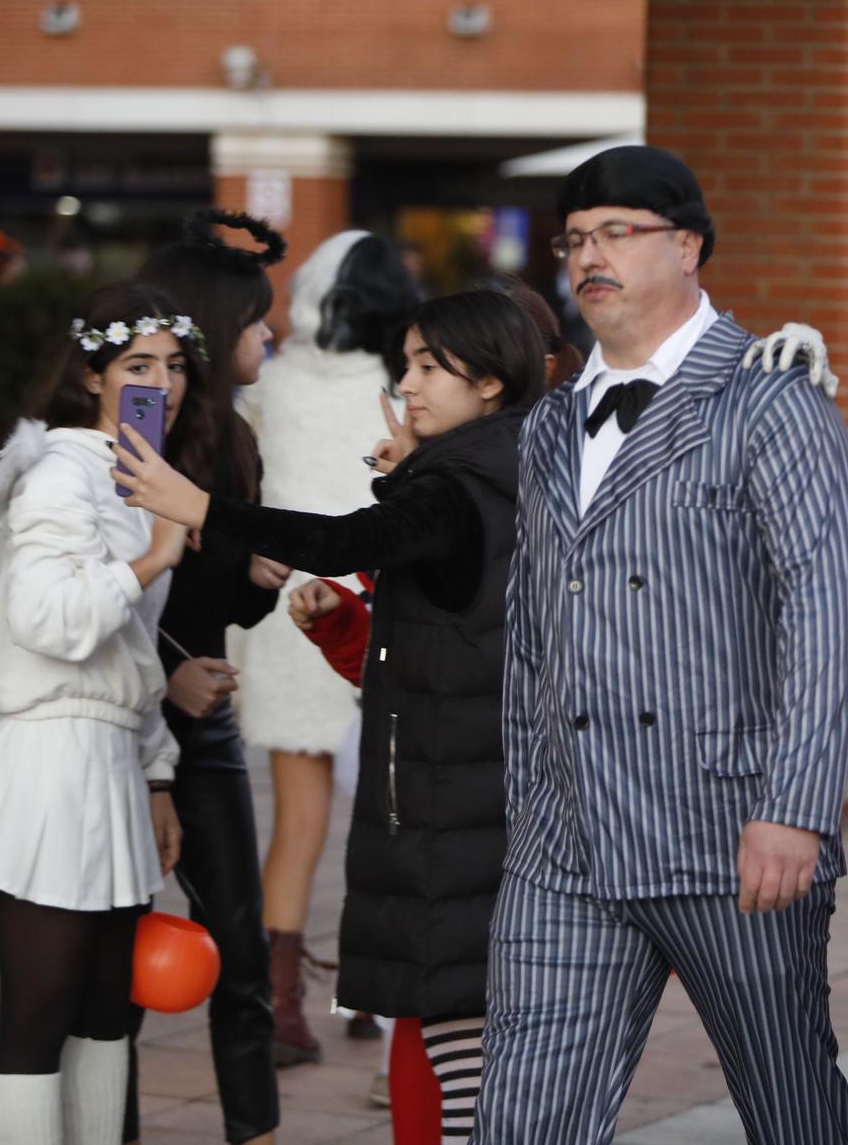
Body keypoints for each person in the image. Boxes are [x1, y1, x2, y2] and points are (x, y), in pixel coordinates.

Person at [472, 145, 848, 1145]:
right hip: (566, 841)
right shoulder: (552, 420)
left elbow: (822, 610)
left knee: (791, 1113)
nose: (588, 257)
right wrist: (528, 808)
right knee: (520, 1119)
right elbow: (532, 632)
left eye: (615, 234)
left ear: (686, 246)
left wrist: (794, 808)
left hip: (730, 834)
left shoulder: (771, 397)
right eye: (575, 239)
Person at [114, 289, 547, 1145]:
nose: (409, 382)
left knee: (463, 1048)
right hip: (466, 790)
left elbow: (347, 540)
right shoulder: (500, 469)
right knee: (471, 1051)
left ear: (491, 382)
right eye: (409, 362)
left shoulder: (462, 485)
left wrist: (194, 504)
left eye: (431, 366)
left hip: (455, 805)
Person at [0, 284, 204, 1144]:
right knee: (39, 1019)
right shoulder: (59, 473)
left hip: (108, 764)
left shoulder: (140, 478)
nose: (165, 383)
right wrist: (152, 560)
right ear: (91, 377)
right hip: (48, 766)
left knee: (106, 1014)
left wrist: (156, 775)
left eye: (176, 366)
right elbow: (47, 621)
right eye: (139, 365)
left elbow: (134, 653)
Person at [227, 228, 418, 1064]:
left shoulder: (270, 382)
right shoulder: (404, 385)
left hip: (285, 610)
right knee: (399, 808)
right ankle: (379, 997)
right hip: (388, 603)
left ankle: (281, 1008)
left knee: (297, 818)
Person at [118, 211, 289, 1145]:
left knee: (241, 945)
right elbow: (112, 589)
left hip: (206, 731)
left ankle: (254, 1132)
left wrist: (262, 582)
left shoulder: (237, 436)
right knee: (120, 951)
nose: (273, 335)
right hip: (125, 726)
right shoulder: (143, 432)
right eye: (260, 320)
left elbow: (220, 600)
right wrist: (168, 678)